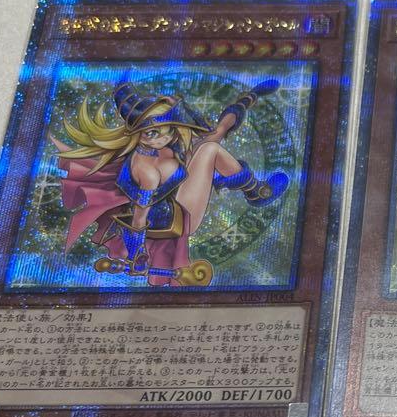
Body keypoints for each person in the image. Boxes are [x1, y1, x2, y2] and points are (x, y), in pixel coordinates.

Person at [52, 78, 288, 286]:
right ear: (138, 133)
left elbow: (198, 130)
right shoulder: (147, 171)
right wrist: (136, 255)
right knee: (210, 149)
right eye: (152, 133)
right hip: (178, 218)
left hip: (177, 192)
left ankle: (248, 97)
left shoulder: (164, 144)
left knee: (216, 133)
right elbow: (139, 218)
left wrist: (179, 108)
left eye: (167, 129)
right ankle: (257, 192)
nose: (163, 137)